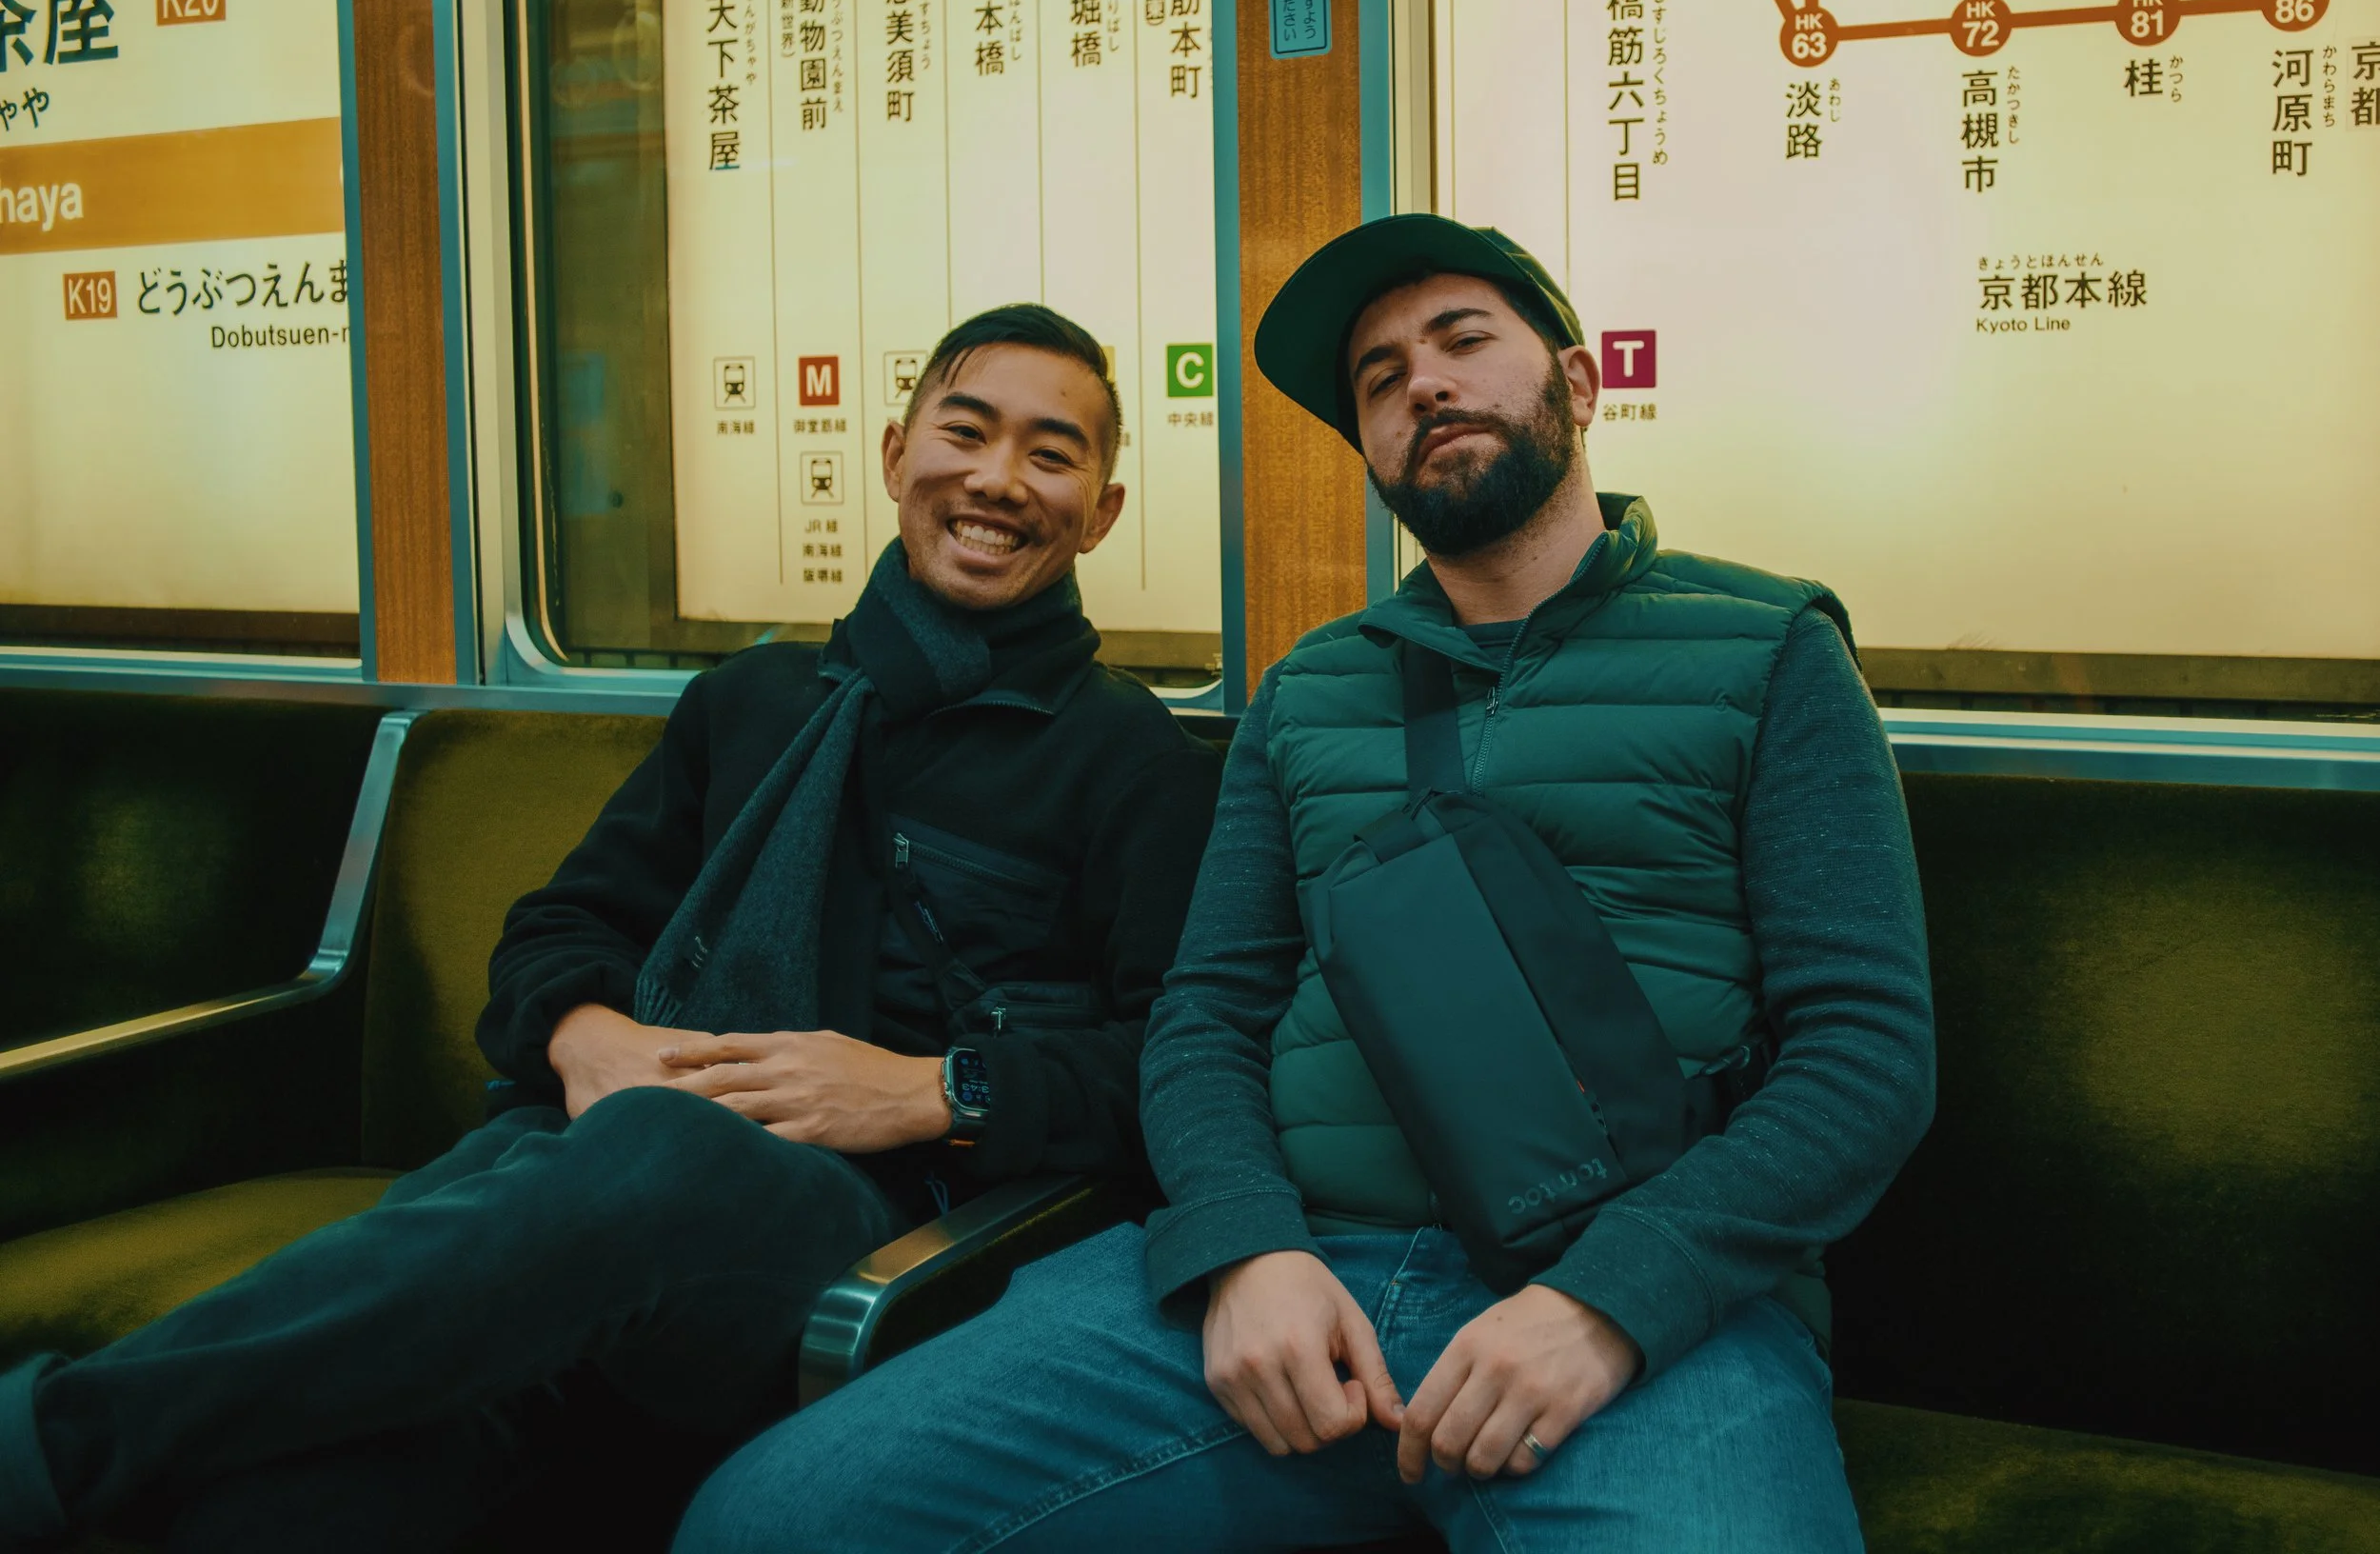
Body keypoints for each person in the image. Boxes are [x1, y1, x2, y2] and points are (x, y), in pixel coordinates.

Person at [678, 214, 1935, 1553]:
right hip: (1293, 1279)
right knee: (768, 1520)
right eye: (1381, 381)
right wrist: (1243, 1249)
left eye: (1462, 344)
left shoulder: (1770, 651)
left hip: (1645, 1311)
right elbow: (1205, 1014)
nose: (1423, 386)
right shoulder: (1314, 689)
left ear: (1577, 385)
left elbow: (1865, 1054)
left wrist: (1611, 1303)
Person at [0, 304, 1222, 1552]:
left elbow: (1178, 1063)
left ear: (1102, 510)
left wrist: (932, 1089)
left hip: (899, 1219)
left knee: (645, 1155)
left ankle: (54, 1444)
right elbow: (563, 925)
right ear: (893, 450)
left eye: (1050, 453)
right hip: (607, 1173)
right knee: (306, 1491)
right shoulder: (750, 703)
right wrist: (586, 1037)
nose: (998, 479)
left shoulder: (1130, 761)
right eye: (966, 433)